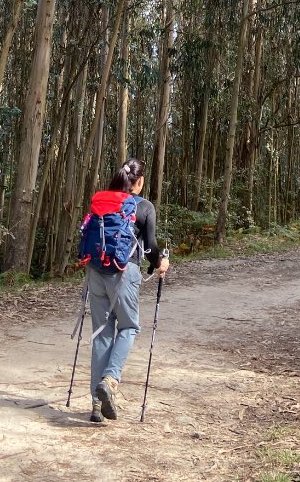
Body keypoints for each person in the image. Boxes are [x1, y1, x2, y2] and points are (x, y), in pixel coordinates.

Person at [86, 158, 170, 424]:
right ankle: (110, 380)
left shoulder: (102, 201)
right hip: (124, 274)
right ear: (140, 181)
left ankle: (96, 406)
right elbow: (150, 247)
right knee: (129, 327)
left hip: (95, 273)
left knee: (101, 333)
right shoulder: (143, 207)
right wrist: (161, 263)